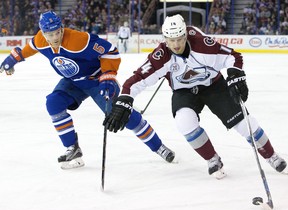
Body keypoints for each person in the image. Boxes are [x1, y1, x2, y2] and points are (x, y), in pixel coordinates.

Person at [103, 14, 287, 179]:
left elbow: (233, 56)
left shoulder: (202, 44)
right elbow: (137, 80)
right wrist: (124, 101)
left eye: (180, 39)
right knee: (184, 123)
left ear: (186, 35)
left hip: (214, 86)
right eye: (171, 40)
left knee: (245, 124)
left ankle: (272, 156)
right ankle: (213, 159)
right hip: (184, 92)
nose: (176, 45)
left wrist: (234, 74)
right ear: (165, 39)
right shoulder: (161, 56)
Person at [0, 11, 175, 169]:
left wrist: (108, 76)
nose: (54, 38)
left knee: (122, 115)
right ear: (43, 33)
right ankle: (73, 148)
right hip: (73, 82)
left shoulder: (78, 40)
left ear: (62, 29)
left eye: (57, 32)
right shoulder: (40, 39)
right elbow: (27, 50)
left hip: (98, 80)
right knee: (53, 103)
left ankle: (158, 146)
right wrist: (12, 60)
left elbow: (111, 52)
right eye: (49, 34)